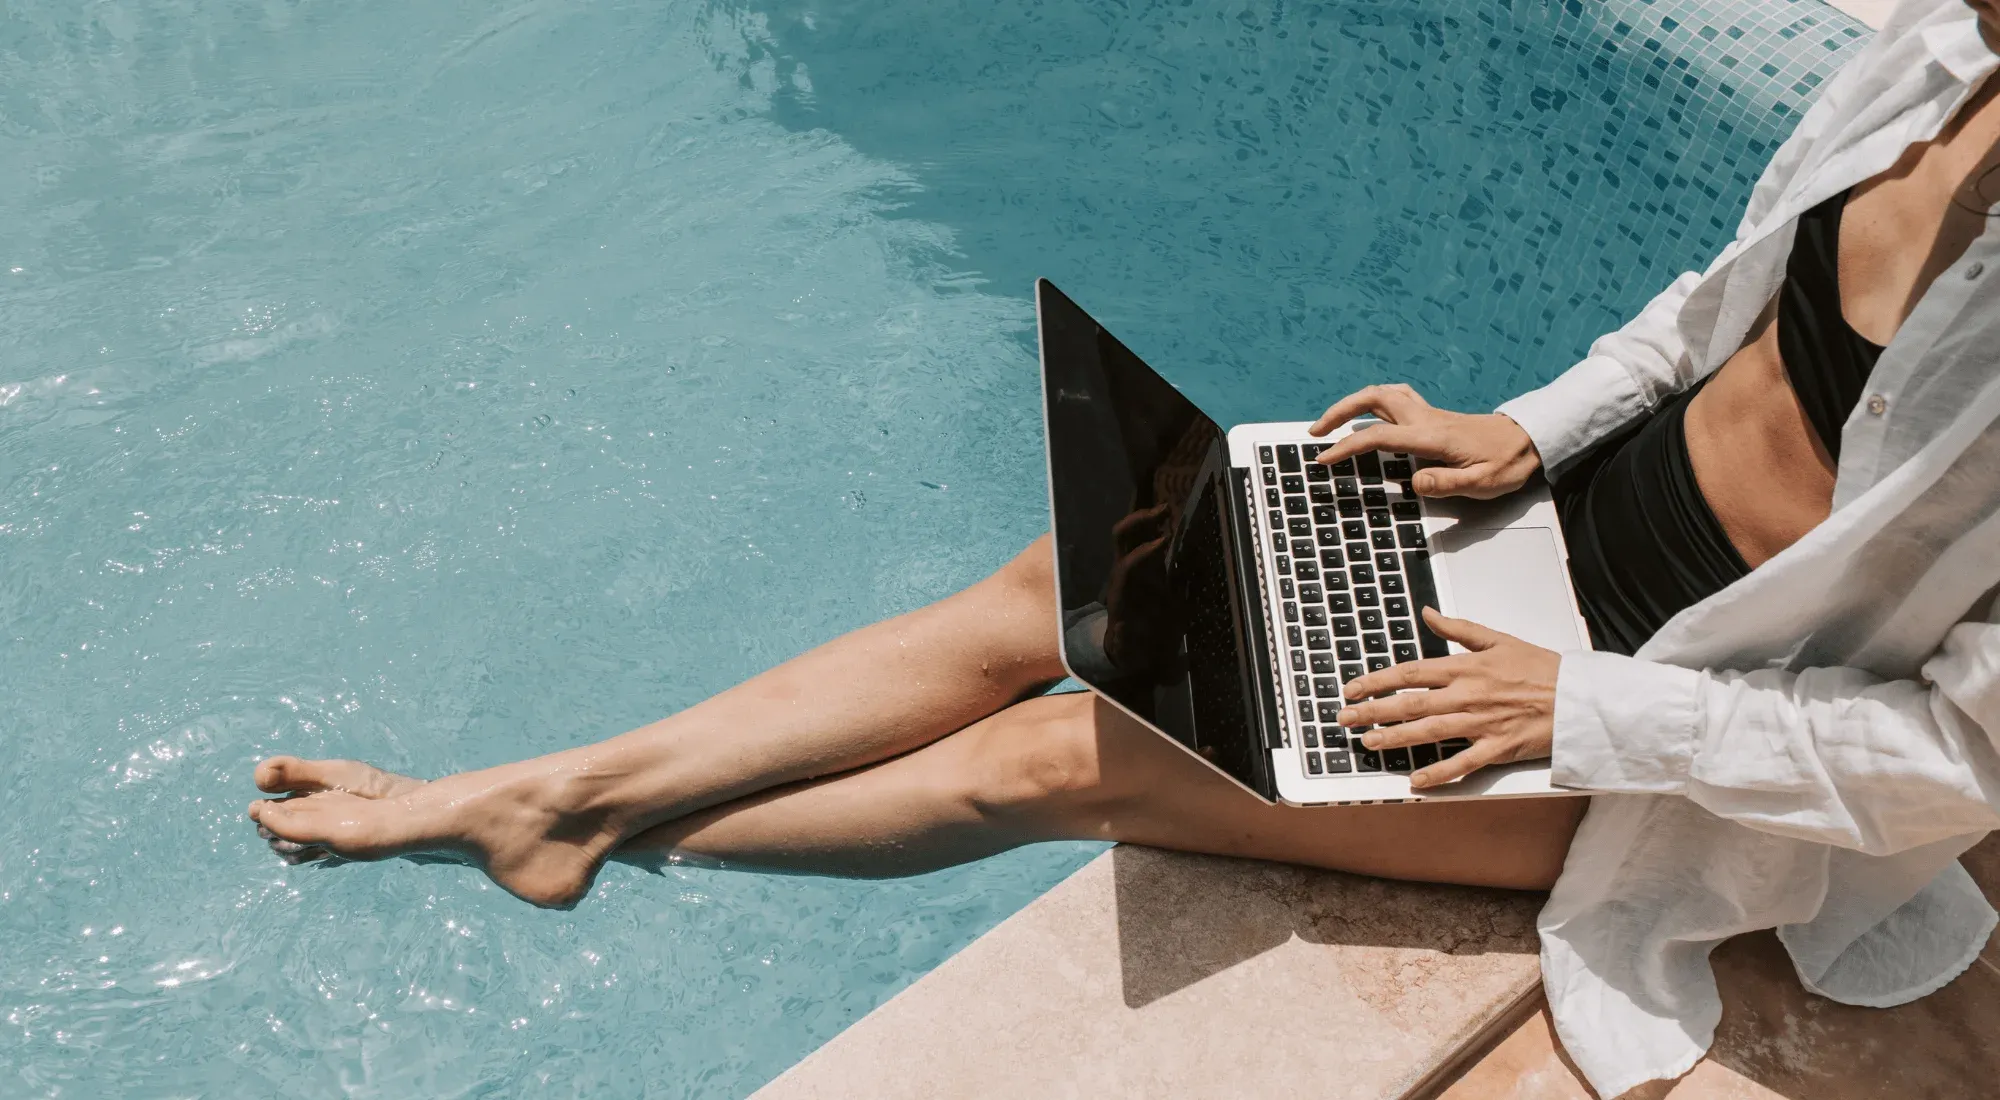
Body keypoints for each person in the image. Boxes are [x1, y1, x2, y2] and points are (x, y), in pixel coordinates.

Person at [248, 0, 2000, 1092]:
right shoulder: (1940, 58)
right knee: (1058, 580)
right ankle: (550, 798)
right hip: (1543, 536)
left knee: (1063, 752)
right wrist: (1531, 429)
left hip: (1658, 731)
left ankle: (567, 827)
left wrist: (1576, 717)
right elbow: (1720, 306)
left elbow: (1958, 760)